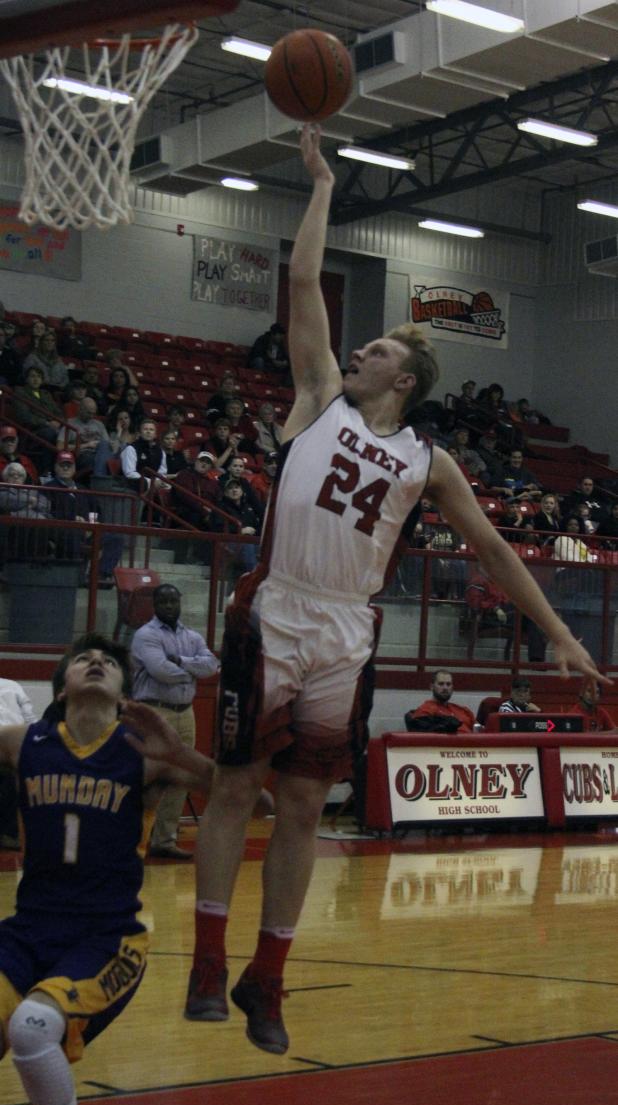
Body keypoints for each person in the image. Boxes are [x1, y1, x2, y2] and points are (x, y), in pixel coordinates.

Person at [176, 125, 603, 1057]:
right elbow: (300, 287)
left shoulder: (430, 460)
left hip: (345, 631)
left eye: (375, 349)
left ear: (403, 379)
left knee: (298, 804)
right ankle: (208, 959)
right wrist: (321, 183)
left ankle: (268, 978)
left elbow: (492, 550)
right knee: (238, 784)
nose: (356, 352)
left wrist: (557, 636)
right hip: (277, 602)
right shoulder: (317, 395)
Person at [0, 632, 233, 1105]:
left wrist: (179, 753)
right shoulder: (24, 743)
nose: (95, 663)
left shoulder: (145, 757)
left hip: (107, 937)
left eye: (107, 660)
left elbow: (260, 805)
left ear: (124, 691)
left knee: (32, 1027)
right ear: (62, 687)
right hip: (26, 930)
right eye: (82, 658)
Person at [131, 586, 219, 860]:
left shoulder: (191, 636)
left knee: (180, 776)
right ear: (155, 604)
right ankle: (132, 839)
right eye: (163, 601)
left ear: (179, 602)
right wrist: (193, 672)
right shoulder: (146, 635)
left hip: (185, 711)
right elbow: (161, 671)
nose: (168, 605)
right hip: (154, 711)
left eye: (173, 600)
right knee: (143, 775)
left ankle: (164, 841)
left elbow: (212, 666)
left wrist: (181, 661)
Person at [0, 676, 35, 850]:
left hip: (16, 747)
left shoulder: (13, 686)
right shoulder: (13, 686)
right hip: (10, 747)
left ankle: (10, 833)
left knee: (19, 775)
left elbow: (31, 721)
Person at [404, 670, 474, 733]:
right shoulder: (425, 710)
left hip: (474, 745)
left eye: (448, 684)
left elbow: (480, 731)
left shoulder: (464, 710)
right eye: (441, 684)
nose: (445, 688)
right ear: (431, 687)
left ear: (452, 687)